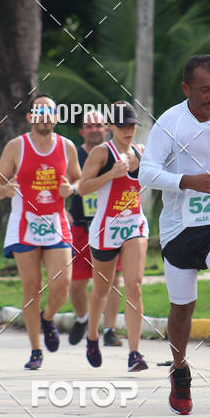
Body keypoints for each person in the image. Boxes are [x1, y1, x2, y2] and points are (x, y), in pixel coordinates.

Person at [139, 54, 210, 415]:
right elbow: (146, 173)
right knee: (182, 307)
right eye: (203, 89)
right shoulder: (170, 123)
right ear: (186, 88)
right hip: (179, 229)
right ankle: (179, 369)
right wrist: (188, 181)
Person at [0, 95, 81, 370]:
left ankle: (48, 317)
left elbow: (77, 177)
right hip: (24, 224)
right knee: (31, 288)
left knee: (61, 285)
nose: (44, 117)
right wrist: (5, 190)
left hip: (55, 222)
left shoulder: (66, 146)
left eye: (50, 112)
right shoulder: (16, 146)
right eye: (39, 112)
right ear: (30, 117)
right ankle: (35, 350)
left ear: (56, 117)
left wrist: (73, 188)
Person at [77, 102, 149, 372]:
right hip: (106, 229)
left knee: (135, 285)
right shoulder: (100, 153)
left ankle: (134, 353)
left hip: (134, 225)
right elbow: (83, 188)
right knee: (101, 291)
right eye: (123, 126)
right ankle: (92, 336)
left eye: (132, 126)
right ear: (110, 127)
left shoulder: (141, 152)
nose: (128, 131)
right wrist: (111, 174)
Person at [68, 111, 123, 348]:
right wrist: (63, 210)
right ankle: (82, 319)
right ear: (82, 131)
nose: (94, 130)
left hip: (111, 224)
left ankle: (110, 329)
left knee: (113, 279)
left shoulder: (116, 154)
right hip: (81, 225)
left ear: (107, 128)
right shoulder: (75, 155)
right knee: (78, 281)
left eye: (99, 125)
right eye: (89, 126)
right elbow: (61, 183)